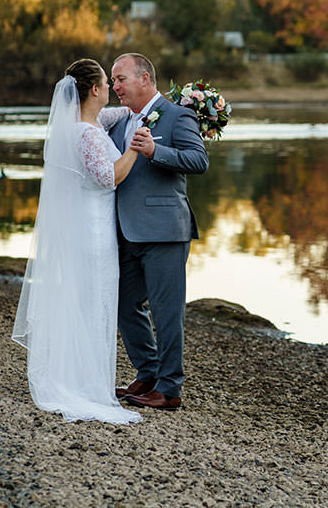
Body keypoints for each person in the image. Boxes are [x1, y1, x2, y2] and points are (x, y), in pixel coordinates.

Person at [11, 58, 153, 424]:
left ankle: (80, 377)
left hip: (86, 229)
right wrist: (135, 148)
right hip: (93, 234)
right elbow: (109, 178)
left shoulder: (83, 124)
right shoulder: (86, 135)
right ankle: (86, 386)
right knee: (94, 303)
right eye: (108, 82)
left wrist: (149, 105)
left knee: (86, 302)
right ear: (93, 89)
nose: (112, 87)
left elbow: (113, 115)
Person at [109, 53, 209, 410]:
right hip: (126, 231)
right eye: (112, 80)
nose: (115, 86)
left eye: (121, 79)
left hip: (166, 231)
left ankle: (169, 389)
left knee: (167, 313)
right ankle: (148, 372)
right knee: (122, 301)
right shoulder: (119, 122)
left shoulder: (179, 115)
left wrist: (155, 150)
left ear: (145, 78)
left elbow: (198, 161)